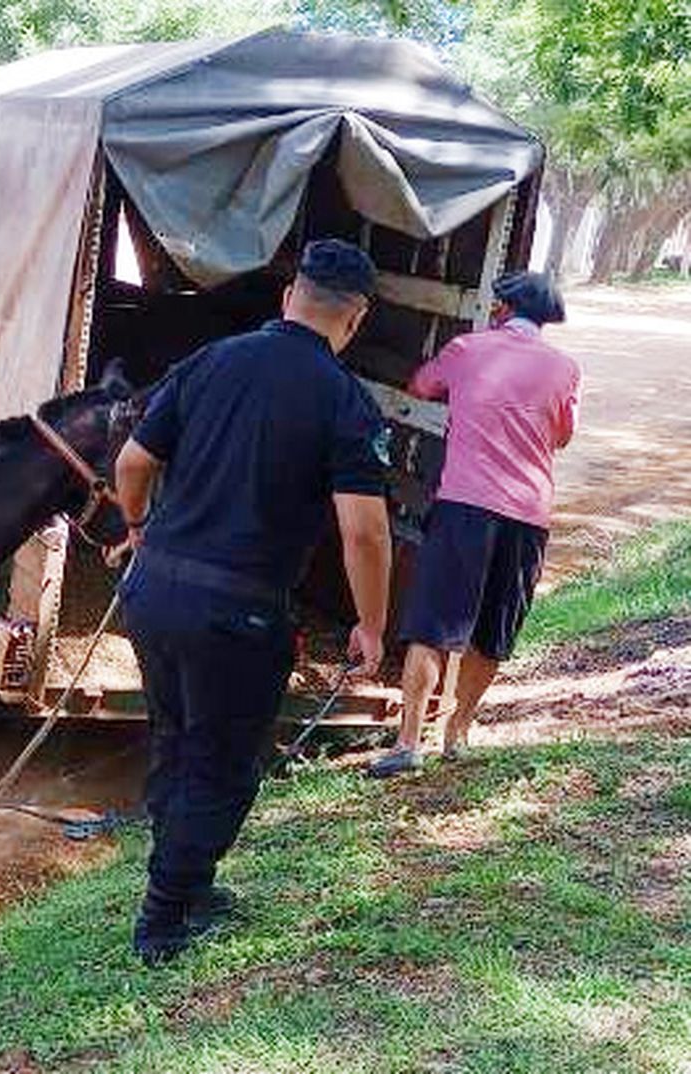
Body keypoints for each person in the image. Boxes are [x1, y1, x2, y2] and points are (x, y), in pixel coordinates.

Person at [112, 238, 393, 966]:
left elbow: (133, 462)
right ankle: (163, 920)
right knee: (225, 761)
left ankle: (190, 885)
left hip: (152, 590)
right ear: (354, 318)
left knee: (176, 739)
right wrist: (370, 624)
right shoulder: (345, 401)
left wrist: (138, 528)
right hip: (237, 611)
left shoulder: (211, 362)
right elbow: (363, 531)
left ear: (288, 295)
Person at [369, 272, 580, 778]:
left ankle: (407, 742)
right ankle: (458, 734)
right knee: (493, 631)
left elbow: (421, 384)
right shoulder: (565, 369)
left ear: (502, 308)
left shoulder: (467, 349)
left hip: (465, 505)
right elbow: (564, 436)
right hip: (527, 516)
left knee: (435, 625)